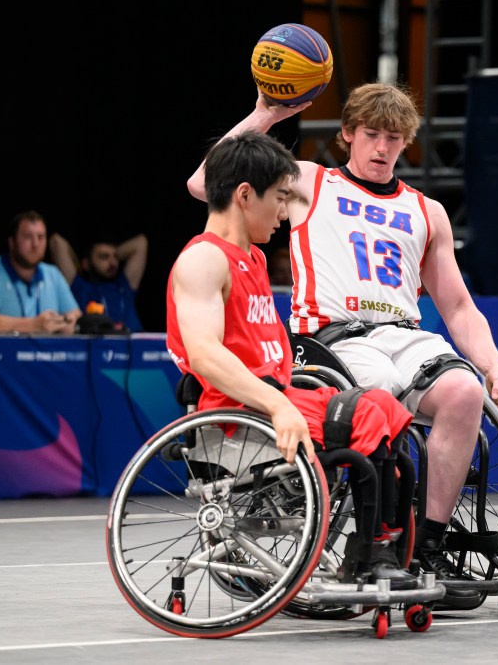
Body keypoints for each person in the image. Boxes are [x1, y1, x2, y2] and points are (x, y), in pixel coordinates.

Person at [187, 82, 498, 609]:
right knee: (382, 399)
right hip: (331, 337)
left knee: (463, 393)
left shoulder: (425, 210)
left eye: (394, 137)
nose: (382, 147)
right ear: (347, 134)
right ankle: (378, 543)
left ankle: (426, 549)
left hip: (405, 333)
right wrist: (264, 115)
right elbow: (207, 182)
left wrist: (494, 367)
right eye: (371, 134)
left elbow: (458, 306)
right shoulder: (308, 182)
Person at [169, 130, 416, 589]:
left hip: (276, 398)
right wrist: (280, 404)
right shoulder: (203, 260)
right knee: (366, 417)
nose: (285, 212)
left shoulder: (254, 260)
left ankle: (378, 551)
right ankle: (371, 557)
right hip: (237, 417)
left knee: (382, 408)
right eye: (280, 198)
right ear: (245, 195)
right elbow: (204, 353)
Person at [0, 211, 82, 334]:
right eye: (28, 237)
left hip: (47, 352)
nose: (35, 244)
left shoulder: (53, 273)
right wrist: (33, 325)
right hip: (3, 351)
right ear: (12, 242)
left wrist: (67, 320)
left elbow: (75, 314)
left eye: (40, 237)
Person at [49, 232, 148, 331]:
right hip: (94, 345)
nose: (113, 263)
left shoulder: (123, 286)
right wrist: (79, 264)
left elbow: (141, 243)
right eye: (104, 257)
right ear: (86, 263)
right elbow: (56, 242)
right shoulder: (79, 287)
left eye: (116, 257)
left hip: (133, 344)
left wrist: (113, 253)